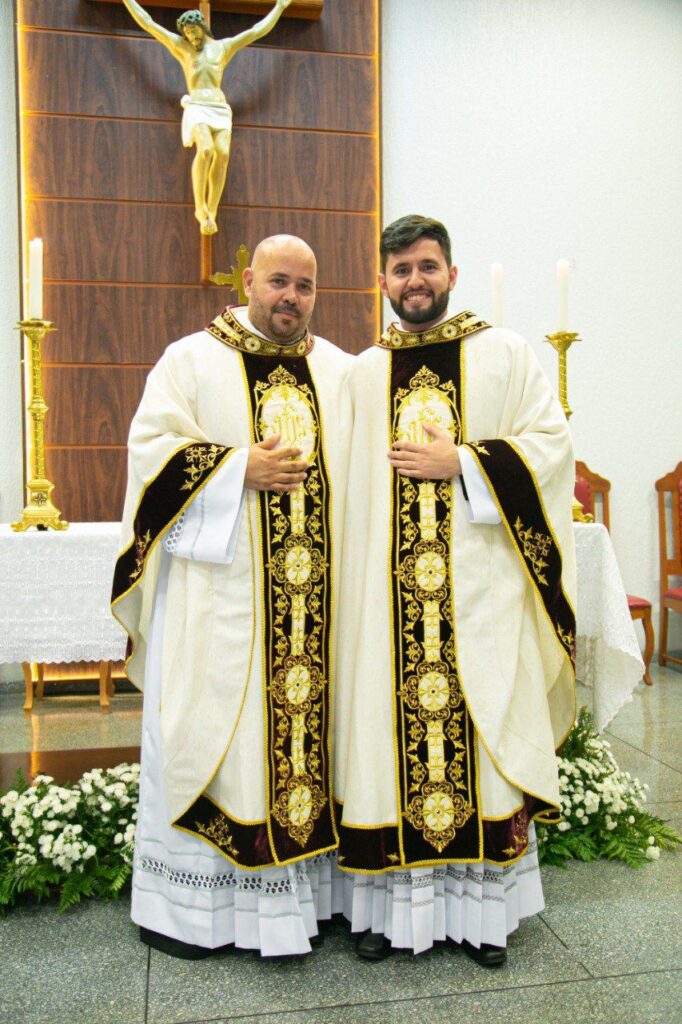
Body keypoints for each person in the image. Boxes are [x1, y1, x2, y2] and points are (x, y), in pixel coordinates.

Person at [334, 215, 577, 967]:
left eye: (428, 266)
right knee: (384, 748)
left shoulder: (504, 354)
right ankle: (385, 914)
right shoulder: (361, 374)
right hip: (385, 608)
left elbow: (551, 447)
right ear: (382, 280)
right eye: (401, 268)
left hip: (479, 600)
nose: (416, 280)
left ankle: (482, 921)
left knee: (479, 743)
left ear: (452, 274)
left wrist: (465, 464)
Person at [111, 234, 352, 958]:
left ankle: (308, 905)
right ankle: (198, 915)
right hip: (220, 610)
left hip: (316, 619)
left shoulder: (339, 371)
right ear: (248, 281)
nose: (291, 298)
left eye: (304, 286)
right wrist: (235, 468)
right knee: (220, 746)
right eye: (278, 281)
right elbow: (150, 452)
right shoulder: (190, 360)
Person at [121, 0, 292, 234]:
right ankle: (200, 208)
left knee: (222, 153)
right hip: (197, 106)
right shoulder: (182, 48)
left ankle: (212, 211)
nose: (191, 37)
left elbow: (256, 31)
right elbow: (148, 23)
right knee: (206, 150)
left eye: (193, 31)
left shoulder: (223, 48)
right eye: (187, 33)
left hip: (219, 108)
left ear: (202, 27)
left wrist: (280, 7)